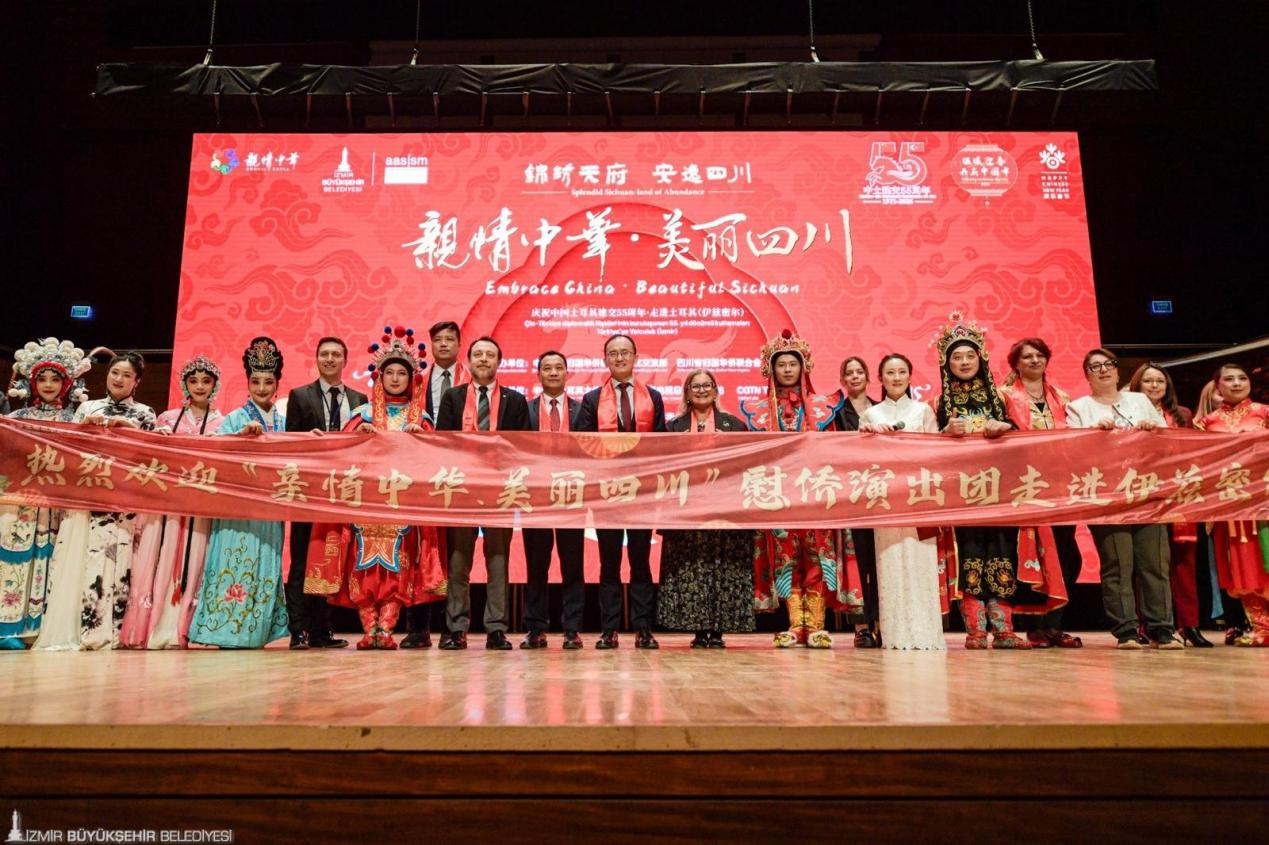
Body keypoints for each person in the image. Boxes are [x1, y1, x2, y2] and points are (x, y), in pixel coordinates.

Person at [304, 326, 446, 649]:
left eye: (402, 373)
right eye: (389, 373)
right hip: (366, 509)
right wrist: (355, 438)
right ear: (379, 377)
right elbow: (338, 455)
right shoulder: (361, 415)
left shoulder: (421, 418)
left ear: (412, 378)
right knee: (363, 567)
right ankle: (370, 629)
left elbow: (436, 462)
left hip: (403, 508)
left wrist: (423, 438)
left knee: (399, 569)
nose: (395, 378)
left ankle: (387, 629)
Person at [933, 314, 1065, 650]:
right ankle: (975, 631)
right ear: (947, 363)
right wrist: (944, 432)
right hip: (963, 494)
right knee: (970, 557)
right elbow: (925, 448)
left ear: (981, 359)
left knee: (1003, 554)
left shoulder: (1006, 398)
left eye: (970, 355)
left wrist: (1006, 427)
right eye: (957, 357)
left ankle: (1004, 629)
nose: (965, 362)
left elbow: (1025, 433)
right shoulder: (936, 403)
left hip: (1001, 491)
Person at [741, 329, 864, 648]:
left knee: (818, 560)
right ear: (771, 369)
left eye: (792, 364)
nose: (787, 370)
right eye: (781, 364)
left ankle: (817, 626)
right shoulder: (757, 412)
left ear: (803, 367)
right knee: (786, 561)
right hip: (778, 499)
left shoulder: (826, 409)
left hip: (816, 497)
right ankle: (796, 625)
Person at [34, 350, 157, 652]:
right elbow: (67, 451)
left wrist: (132, 430)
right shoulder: (87, 408)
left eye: (127, 375)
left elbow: (154, 456)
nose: (119, 379)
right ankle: (77, 628)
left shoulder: (145, 413)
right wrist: (83, 429)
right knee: (80, 560)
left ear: (137, 381)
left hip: (124, 501)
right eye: (115, 373)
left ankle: (112, 632)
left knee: (119, 561)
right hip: (87, 497)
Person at [1067, 348, 1182, 650]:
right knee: (1118, 564)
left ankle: (1162, 629)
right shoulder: (1078, 408)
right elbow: (1072, 450)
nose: (1103, 370)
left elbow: (1166, 440)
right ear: (1087, 375)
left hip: (1146, 491)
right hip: (1107, 497)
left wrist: (1151, 429)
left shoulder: (1140, 400)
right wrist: (1094, 434)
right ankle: (1127, 631)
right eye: (1095, 366)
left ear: (1118, 371)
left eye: (1109, 364)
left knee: (1154, 563)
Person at [188, 338, 290, 649]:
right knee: (233, 562)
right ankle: (224, 629)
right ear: (247, 383)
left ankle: (257, 630)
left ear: (277, 384)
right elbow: (214, 452)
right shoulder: (233, 418)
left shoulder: (284, 422)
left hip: (270, 508)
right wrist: (239, 437)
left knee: (266, 564)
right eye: (255, 382)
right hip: (238, 509)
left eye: (268, 382)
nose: (262, 388)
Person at [122, 356, 226, 649]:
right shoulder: (167, 419)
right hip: (167, 506)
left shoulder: (222, 423)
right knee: (162, 560)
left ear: (215, 385)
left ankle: (185, 628)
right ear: (185, 384)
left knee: (196, 561)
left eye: (206, 381)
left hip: (201, 505)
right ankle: (155, 626)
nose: (200, 386)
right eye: (193, 381)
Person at [434, 336, 530, 651]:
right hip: (461, 489)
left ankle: (496, 629)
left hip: (500, 492)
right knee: (458, 562)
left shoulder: (515, 400)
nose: (484, 359)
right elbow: (442, 443)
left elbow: (523, 448)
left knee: (498, 561)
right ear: (469, 361)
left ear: (499, 362)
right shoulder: (453, 397)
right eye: (478, 354)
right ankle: (456, 628)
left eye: (490, 355)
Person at [575, 334, 667, 650]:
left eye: (625, 352)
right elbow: (584, 444)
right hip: (607, 493)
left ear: (635, 357)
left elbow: (662, 445)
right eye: (613, 353)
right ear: (605, 360)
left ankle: (644, 629)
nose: (619, 358)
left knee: (641, 563)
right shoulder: (591, 400)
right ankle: (609, 630)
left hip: (641, 493)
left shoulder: (653, 397)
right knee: (609, 563)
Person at [1, 338, 90, 648]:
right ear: (32, 382)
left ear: (67, 384)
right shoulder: (16, 419)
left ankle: (35, 629)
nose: (49, 385)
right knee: (12, 561)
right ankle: (7, 627)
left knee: (48, 561)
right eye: (42, 379)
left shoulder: (75, 421)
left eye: (55, 379)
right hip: (18, 502)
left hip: (56, 503)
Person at [655, 369, 755, 648]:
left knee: (721, 567)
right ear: (687, 393)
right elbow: (663, 467)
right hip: (686, 510)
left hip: (725, 510)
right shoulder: (673, 428)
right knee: (693, 568)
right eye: (695, 386)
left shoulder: (734, 426)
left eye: (706, 385)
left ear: (715, 390)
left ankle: (718, 631)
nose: (701, 390)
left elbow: (746, 466)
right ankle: (699, 631)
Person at [998, 337, 1084, 649]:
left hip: (1059, 486)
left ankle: (1054, 625)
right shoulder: (1004, 396)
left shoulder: (1062, 397)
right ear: (1015, 364)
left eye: (1039, 355)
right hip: (1023, 487)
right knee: (1030, 556)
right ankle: (1034, 626)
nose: (1034, 361)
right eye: (1027, 357)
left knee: (1067, 555)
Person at [858, 354, 946, 650]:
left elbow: (937, 452)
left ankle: (926, 633)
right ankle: (895, 634)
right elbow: (860, 461)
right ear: (880, 379)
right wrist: (868, 438)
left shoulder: (923, 411)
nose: (896, 378)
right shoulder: (871, 415)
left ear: (910, 376)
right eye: (890, 373)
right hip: (885, 499)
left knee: (920, 562)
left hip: (919, 496)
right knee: (890, 563)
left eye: (901, 372)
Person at [282, 336, 364, 650]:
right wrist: (307, 438)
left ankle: (322, 631)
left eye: (335, 354)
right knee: (302, 560)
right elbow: (290, 442)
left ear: (345, 360)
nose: (329, 359)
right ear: (317, 359)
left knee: (331, 560)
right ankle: (299, 631)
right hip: (309, 491)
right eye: (324, 354)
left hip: (343, 492)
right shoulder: (300, 395)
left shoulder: (359, 400)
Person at [1129, 362, 1211, 647]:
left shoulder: (1182, 415)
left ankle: (1189, 624)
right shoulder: (1127, 413)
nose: (1154, 386)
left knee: (1184, 564)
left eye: (1159, 381)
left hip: (1179, 495)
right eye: (1148, 381)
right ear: (1136, 386)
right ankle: (1147, 624)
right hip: (1144, 495)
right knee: (1146, 564)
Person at [401, 320, 470, 649]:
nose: (443, 344)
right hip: (422, 474)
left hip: (462, 476)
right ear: (431, 345)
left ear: (459, 344)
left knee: (453, 554)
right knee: (420, 549)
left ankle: (454, 628)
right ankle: (418, 628)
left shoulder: (472, 381)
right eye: (438, 340)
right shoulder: (417, 382)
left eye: (449, 339)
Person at [1195, 362, 1269, 647]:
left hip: (1263, 501)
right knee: (1242, 565)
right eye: (1229, 379)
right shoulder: (1205, 423)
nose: (1237, 383)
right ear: (1218, 386)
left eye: (1242, 378)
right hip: (1229, 505)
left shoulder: (1264, 413)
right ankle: (1261, 627)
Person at [520, 351, 586, 649]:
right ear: (539, 374)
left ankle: (572, 629)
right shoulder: (525, 409)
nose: (554, 373)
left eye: (559, 367)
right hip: (535, 497)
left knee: (573, 565)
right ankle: (536, 629)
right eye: (547, 368)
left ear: (567, 373)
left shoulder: (582, 410)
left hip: (572, 495)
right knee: (536, 566)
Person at [832, 356, 880, 648]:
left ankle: (883, 623)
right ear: (842, 380)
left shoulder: (882, 409)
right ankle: (862, 627)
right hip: (850, 494)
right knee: (856, 562)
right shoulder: (835, 414)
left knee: (879, 562)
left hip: (881, 493)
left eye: (859, 371)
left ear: (868, 377)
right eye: (848, 373)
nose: (854, 377)